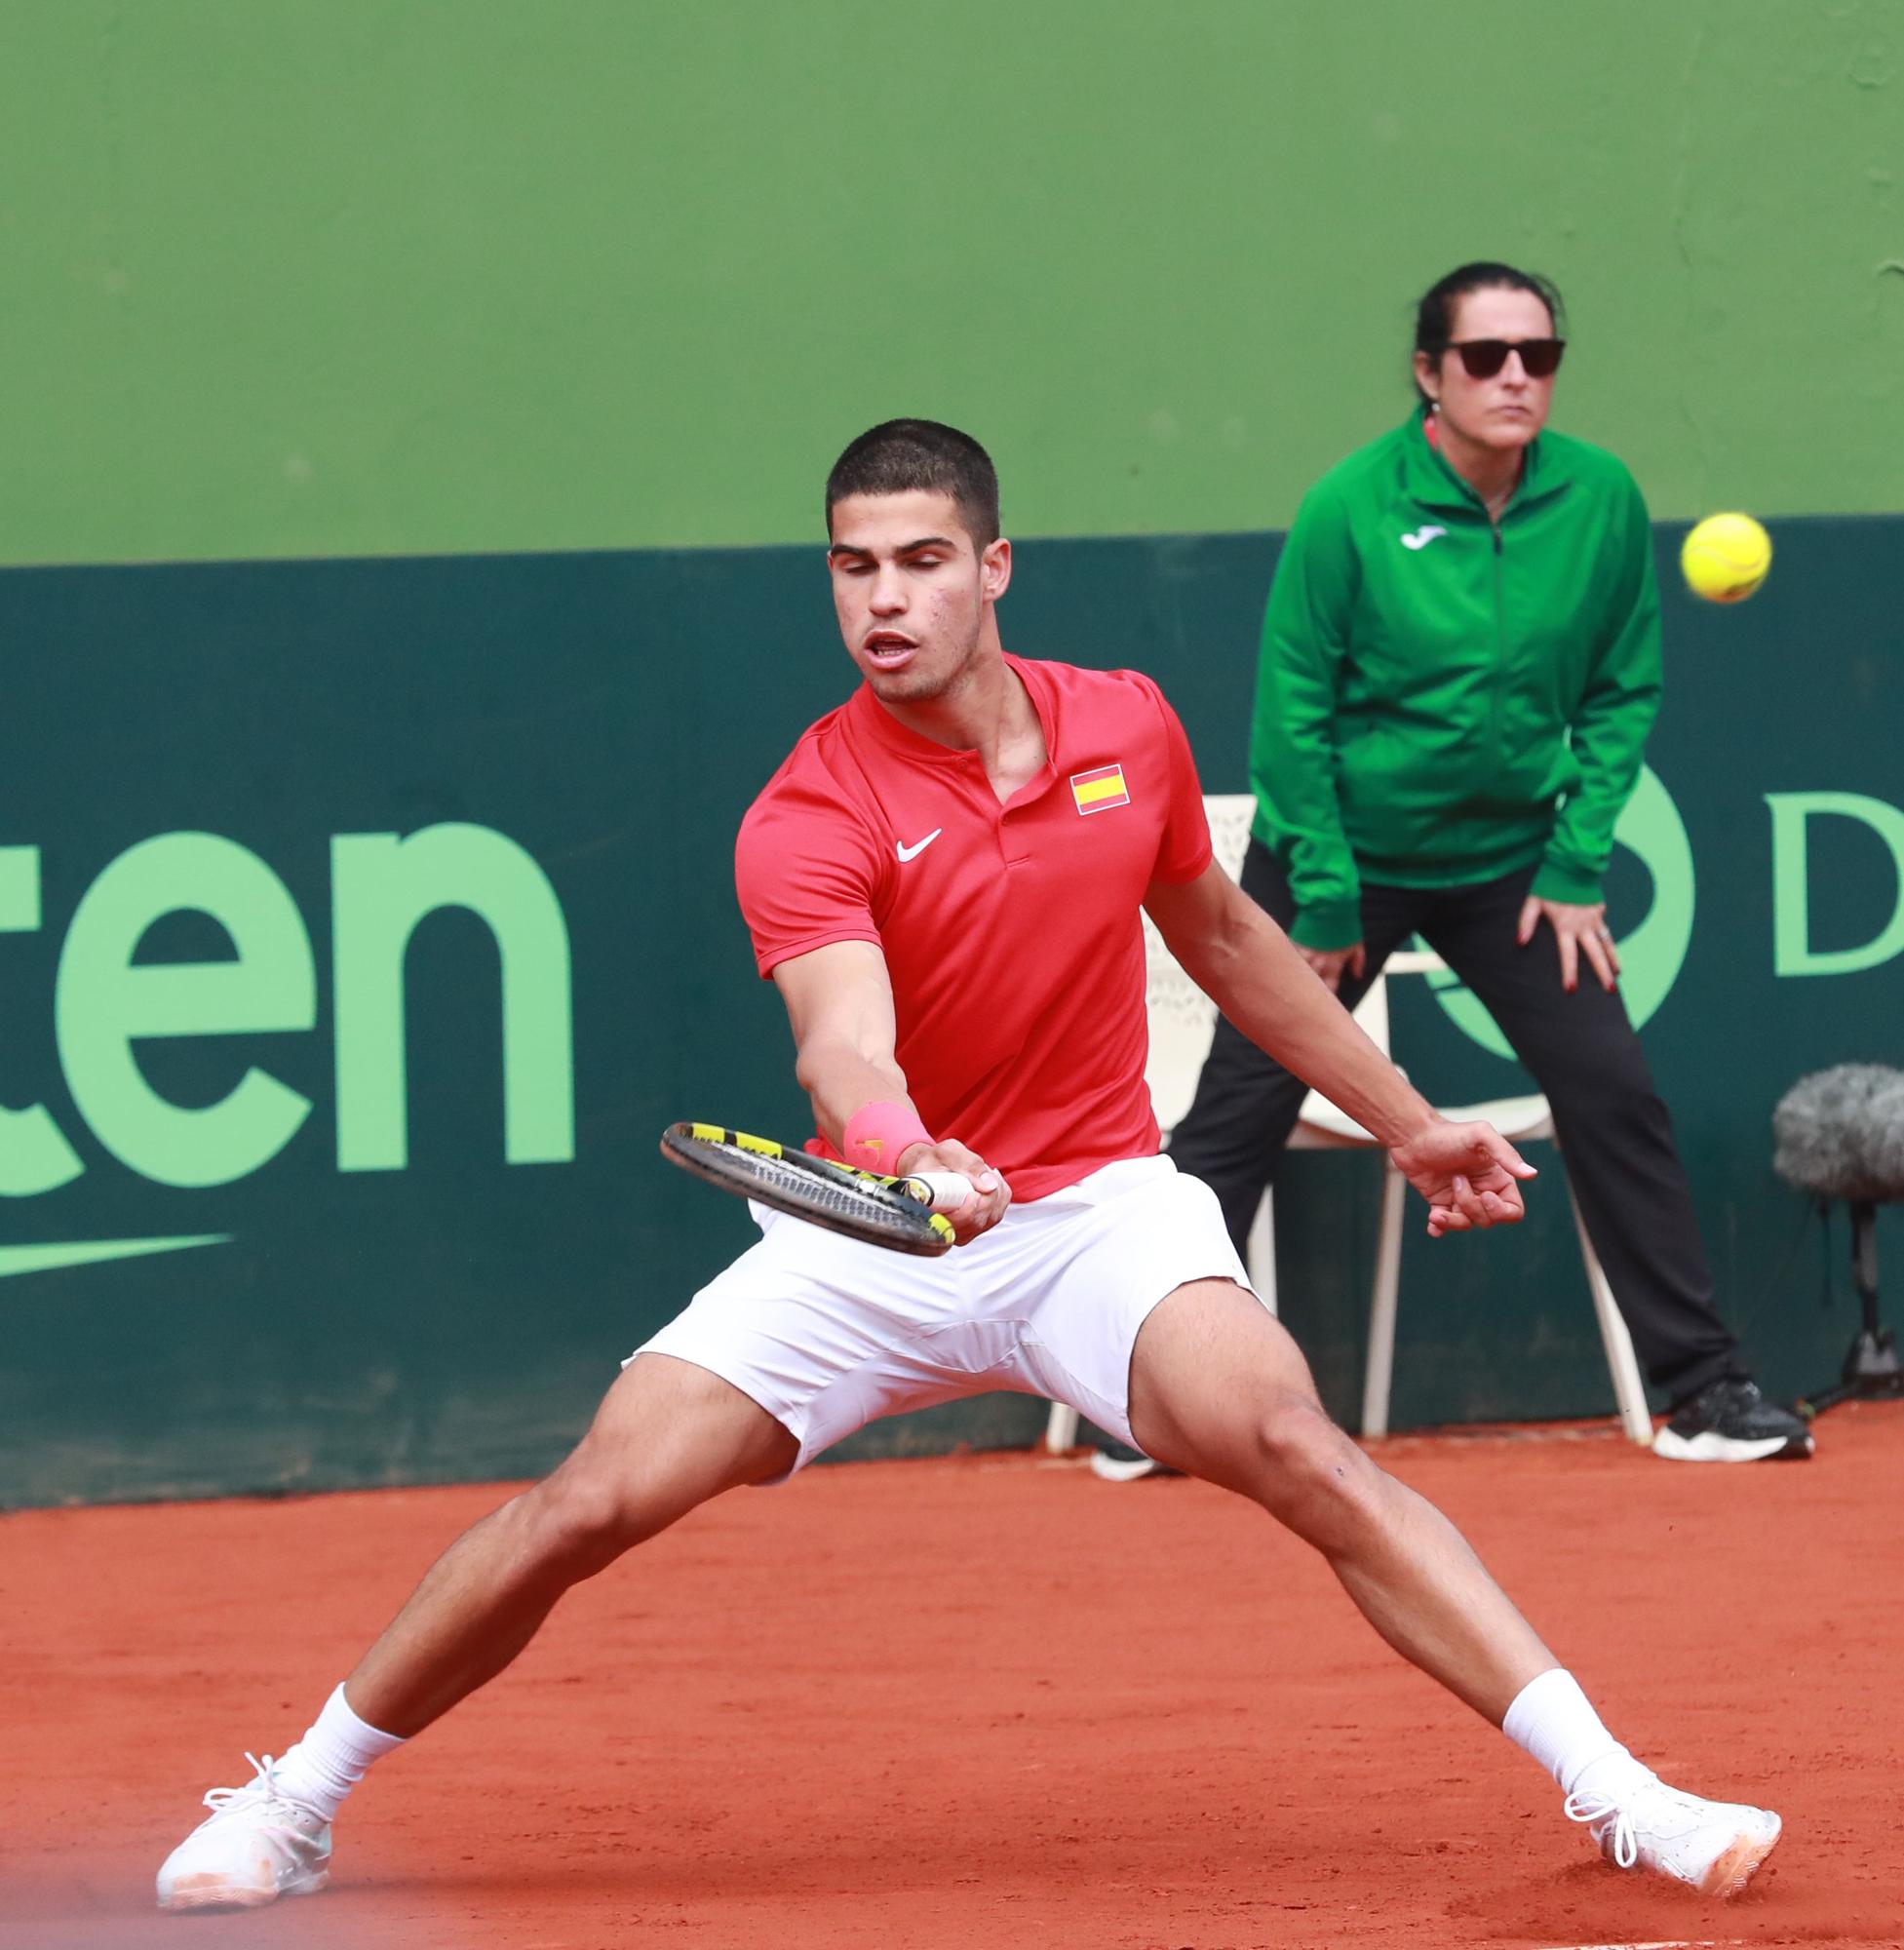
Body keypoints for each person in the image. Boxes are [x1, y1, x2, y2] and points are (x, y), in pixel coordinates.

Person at [155, 419, 1781, 1914]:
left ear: (992, 567)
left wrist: (1403, 1113)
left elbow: (1221, 936)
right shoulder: (808, 808)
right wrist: (904, 1152)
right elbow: (840, 1048)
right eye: (853, 565)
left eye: (921, 559)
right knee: (586, 1503)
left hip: (1094, 1214)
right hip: (871, 1238)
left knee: (1295, 1442)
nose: (884, 598)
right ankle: (295, 1799)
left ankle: (1618, 1794)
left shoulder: (1122, 726)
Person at [1124, 263, 1812, 1481]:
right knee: (1241, 1109)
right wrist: (1325, 896)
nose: (1516, 378)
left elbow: (1618, 689)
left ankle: (1701, 1389)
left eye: (1538, 357)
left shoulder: (1598, 499)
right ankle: (1147, 1384)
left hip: (1508, 864)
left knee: (1612, 1090)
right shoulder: (1350, 506)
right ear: (1428, 374)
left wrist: (1575, 857)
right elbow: (1294, 710)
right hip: (1342, 857)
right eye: (1487, 356)